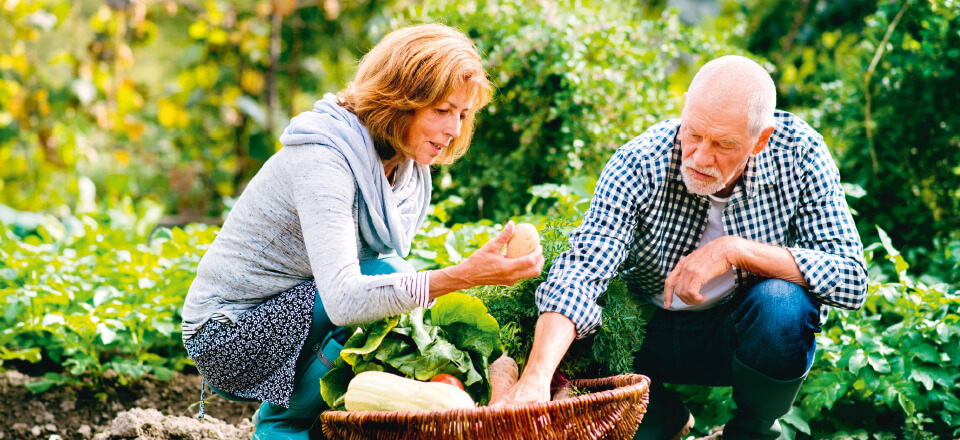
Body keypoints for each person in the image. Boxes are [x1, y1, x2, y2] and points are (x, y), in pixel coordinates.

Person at [180, 23, 544, 440]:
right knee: (384, 276)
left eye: (462, 115)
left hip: (296, 315)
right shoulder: (324, 158)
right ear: (400, 100)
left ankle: (313, 419)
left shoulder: (404, 168)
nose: (455, 130)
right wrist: (466, 274)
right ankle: (282, 425)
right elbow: (346, 298)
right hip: (228, 337)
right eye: (442, 111)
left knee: (394, 282)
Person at [497, 55, 867, 440]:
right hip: (643, 336)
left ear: (760, 139)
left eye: (724, 144)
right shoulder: (640, 162)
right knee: (580, 359)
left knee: (783, 302)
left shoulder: (800, 153)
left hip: (735, 338)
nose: (701, 158)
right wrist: (535, 379)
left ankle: (751, 430)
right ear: (685, 105)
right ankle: (662, 417)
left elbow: (851, 277)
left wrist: (733, 250)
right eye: (693, 134)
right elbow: (582, 271)